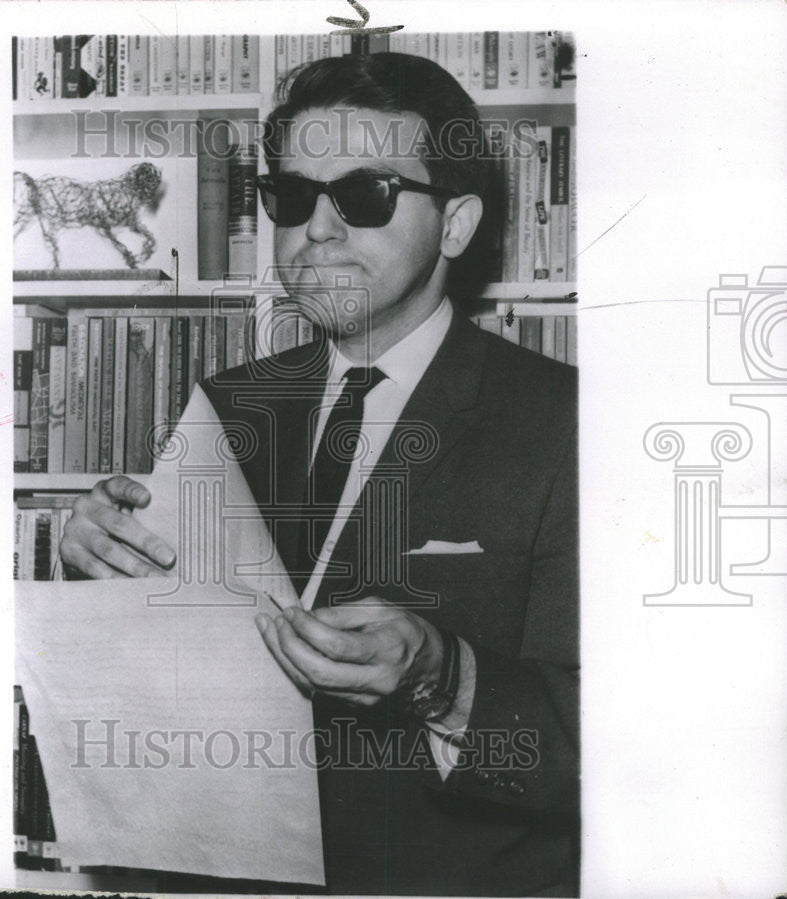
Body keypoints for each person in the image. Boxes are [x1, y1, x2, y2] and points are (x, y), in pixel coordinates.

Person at [60, 51, 579, 898]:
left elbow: (634, 752)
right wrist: (96, 562)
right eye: (293, 196)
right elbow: (158, 673)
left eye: (364, 194)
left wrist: (445, 679)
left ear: (455, 225)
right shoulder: (227, 405)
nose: (317, 231)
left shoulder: (568, 423)